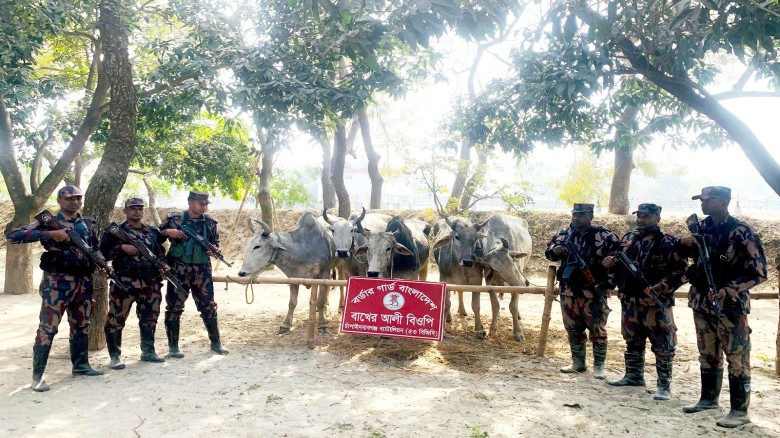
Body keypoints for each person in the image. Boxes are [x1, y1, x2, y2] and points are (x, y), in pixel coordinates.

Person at [680, 186, 766, 428]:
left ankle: (739, 411)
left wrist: (731, 289)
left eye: (709, 199)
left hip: (730, 306)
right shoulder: (702, 228)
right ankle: (708, 400)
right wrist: (685, 245)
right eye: (701, 199)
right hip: (702, 301)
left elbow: (759, 273)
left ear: (725, 201)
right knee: (708, 353)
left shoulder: (741, 231)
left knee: (737, 356)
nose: (703, 203)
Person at [6, 185, 105, 392]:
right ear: (60, 201)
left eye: (78, 198)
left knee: (81, 325)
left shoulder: (88, 224)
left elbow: (96, 249)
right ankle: (37, 376)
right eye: (69, 198)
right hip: (57, 283)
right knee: (48, 328)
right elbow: (14, 235)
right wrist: (51, 234)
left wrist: (102, 264)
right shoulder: (48, 223)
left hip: (83, 282)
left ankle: (81, 366)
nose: (74, 201)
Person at [602, 203, 687, 400]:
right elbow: (616, 264)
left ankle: (663, 386)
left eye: (646, 216)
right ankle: (633, 376)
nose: (641, 219)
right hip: (630, 300)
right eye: (639, 215)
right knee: (632, 339)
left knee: (663, 343)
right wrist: (610, 265)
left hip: (655, 302)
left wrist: (662, 286)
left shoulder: (668, 242)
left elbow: (682, 272)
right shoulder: (628, 239)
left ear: (658, 216)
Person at [545, 203, 619, 379]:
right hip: (569, 291)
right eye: (574, 214)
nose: (576, 217)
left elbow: (619, 260)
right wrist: (555, 251)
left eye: (581, 215)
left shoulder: (605, 235)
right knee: (573, 328)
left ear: (591, 216)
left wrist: (608, 284)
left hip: (593, 291)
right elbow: (549, 253)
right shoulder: (563, 234)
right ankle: (578, 363)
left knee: (597, 330)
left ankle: (599, 366)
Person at [99, 198, 167, 369]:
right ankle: (115, 356)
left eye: (140, 208)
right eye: (133, 208)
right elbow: (103, 254)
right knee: (116, 319)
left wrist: (164, 265)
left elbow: (160, 253)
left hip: (150, 282)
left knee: (150, 317)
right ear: (125, 211)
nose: (137, 211)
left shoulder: (152, 232)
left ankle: (148, 351)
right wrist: (120, 248)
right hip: (124, 283)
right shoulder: (115, 232)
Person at [160, 190, 228, 357]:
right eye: (201, 203)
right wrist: (169, 232)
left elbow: (214, 243)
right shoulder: (174, 220)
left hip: (202, 270)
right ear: (190, 202)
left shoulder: (210, 223)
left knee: (208, 306)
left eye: (206, 204)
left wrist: (214, 251)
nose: (204, 206)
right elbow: (156, 237)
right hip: (178, 269)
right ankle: (173, 347)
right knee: (174, 307)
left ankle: (216, 343)